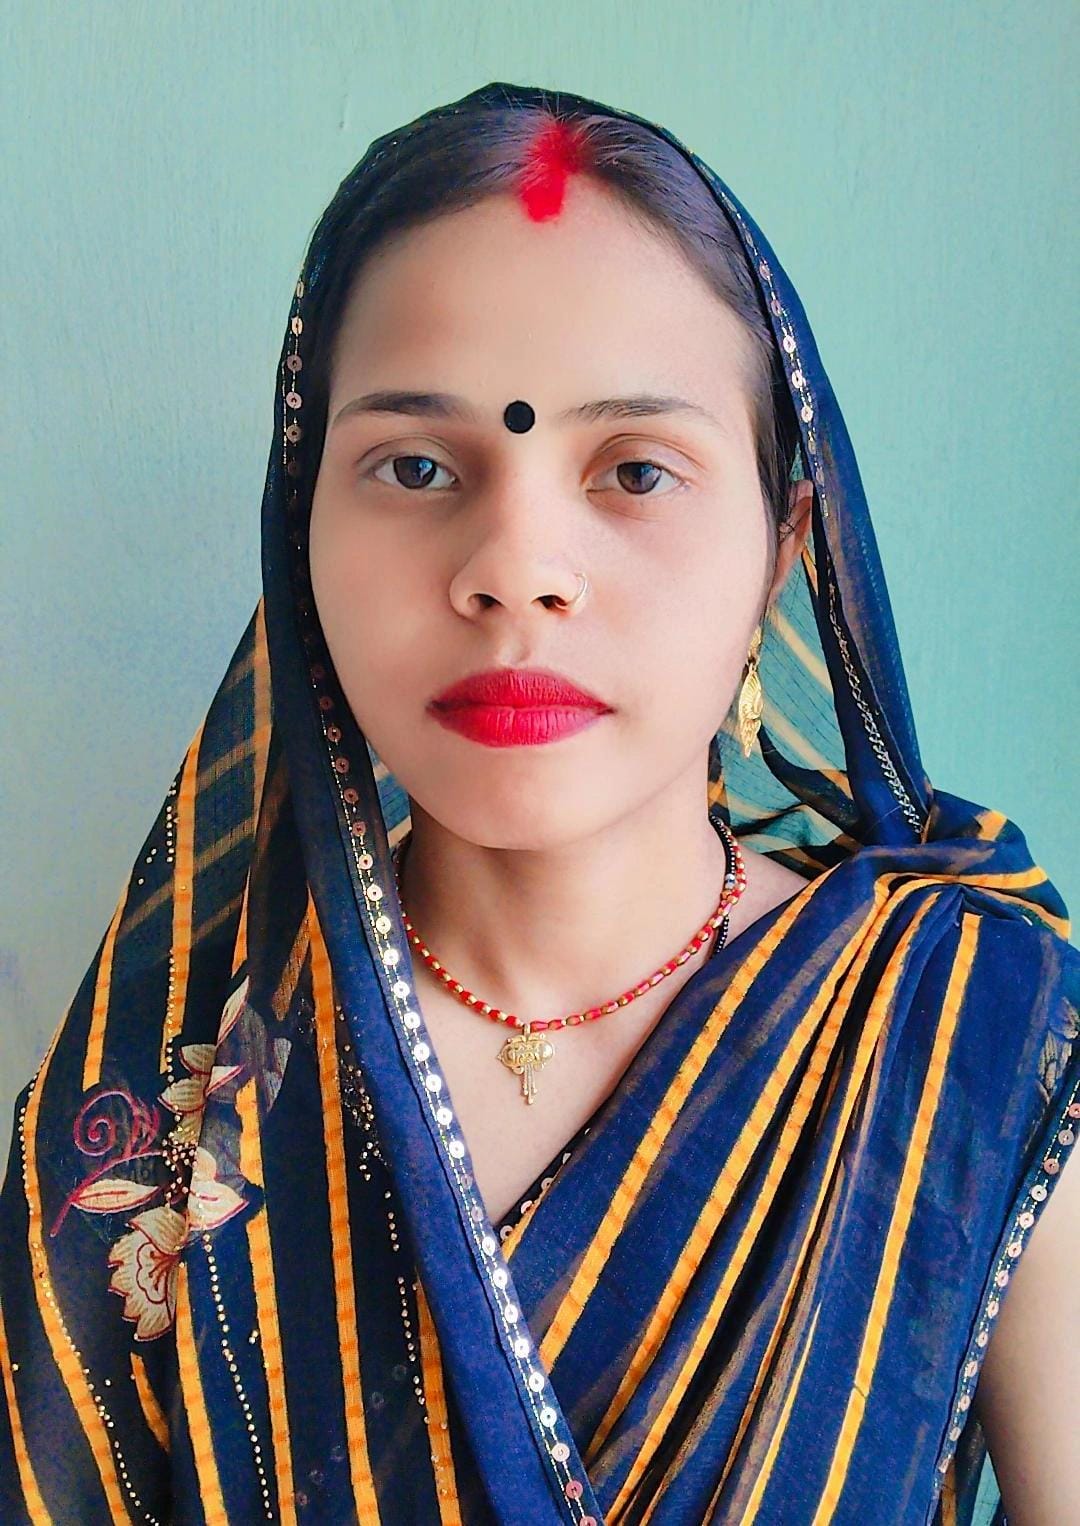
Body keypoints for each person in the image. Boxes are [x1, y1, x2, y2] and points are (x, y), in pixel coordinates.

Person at [0, 79, 1076, 1526]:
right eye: (417, 466)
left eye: (634, 470)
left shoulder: (964, 1031)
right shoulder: (162, 1108)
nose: (515, 569)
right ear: (301, 531)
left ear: (783, 547)